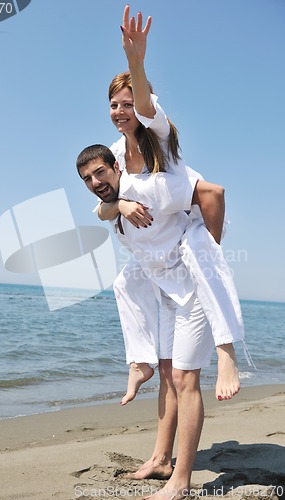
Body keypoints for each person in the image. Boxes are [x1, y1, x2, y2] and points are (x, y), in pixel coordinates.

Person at [76, 144, 246, 499]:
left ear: (117, 166)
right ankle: (161, 459)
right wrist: (119, 205)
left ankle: (180, 483)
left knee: (185, 378)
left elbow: (213, 192)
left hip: (194, 291)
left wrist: (209, 252)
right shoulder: (113, 202)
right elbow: (102, 210)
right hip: (168, 292)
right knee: (167, 371)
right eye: (87, 178)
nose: (95, 181)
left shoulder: (152, 186)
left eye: (101, 173)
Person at [99, 5, 242, 407]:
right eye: (113, 105)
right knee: (124, 283)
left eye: (125, 104)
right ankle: (139, 362)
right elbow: (103, 206)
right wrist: (123, 205)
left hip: (194, 227)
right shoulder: (112, 154)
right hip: (160, 249)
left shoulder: (157, 136)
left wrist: (134, 61)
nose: (120, 111)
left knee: (201, 254)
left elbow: (145, 104)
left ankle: (227, 352)